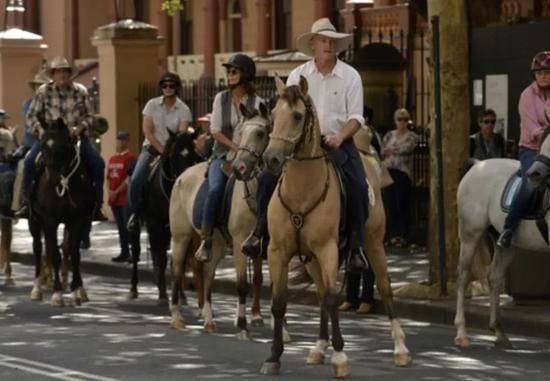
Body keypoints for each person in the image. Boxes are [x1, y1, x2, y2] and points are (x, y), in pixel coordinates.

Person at [242, 18, 369, 272]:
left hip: (336, 142)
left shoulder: (350, 76)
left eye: (332, 41)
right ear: (313, 44)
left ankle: (355, 247)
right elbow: (285, 110)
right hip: (299, 145)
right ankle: (260, 233)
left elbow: (356, 117)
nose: (328, 45)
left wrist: (340, 137)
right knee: (267, 178)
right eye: (323, 40)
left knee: (358, 186)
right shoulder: (298, 75)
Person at [17, 56, 106, 220]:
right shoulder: (43, 91)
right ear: (53, 75)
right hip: (50, 138)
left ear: (70, 73)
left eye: (65, 71)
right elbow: (31, 116)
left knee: (97, 163)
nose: (62, 75)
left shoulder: (81, 91)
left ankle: (97, 205)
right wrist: (40, 130)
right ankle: (26, 203)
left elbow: (90, 116)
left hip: (75, 138)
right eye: (58, 72)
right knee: (29, 162)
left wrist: (79, 128)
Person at [194, 54, 263, 262]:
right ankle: (206, 239)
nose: (230, 75)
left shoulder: (257, 102)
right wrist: (235, 147)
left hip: (250, 159)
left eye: (234, 71)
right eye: (229, 72)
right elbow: (215, 131)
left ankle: (263, 234)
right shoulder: (220, 99)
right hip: (222, 157)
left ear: (246, 75)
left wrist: (245, 152)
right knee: (215, 189)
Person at [126, 72, 192, 233]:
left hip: (173, 152)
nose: (168, 88)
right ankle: (135, 214)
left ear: (177, 87)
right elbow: (147, 131)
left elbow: (181, 133)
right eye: (164, 85)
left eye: (171, 85)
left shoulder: (184, 109)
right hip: (152, 150)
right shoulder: (151, 104)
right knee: (136, 179)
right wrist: (162, 150)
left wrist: (170, 151)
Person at [497, 51, 550, 247]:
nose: (543, 75)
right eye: (539, 72)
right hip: (532, 150)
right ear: (534, 75)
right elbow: (532, 129)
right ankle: (508, 229)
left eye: (547, 71)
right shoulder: (526, 96)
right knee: (530, 185)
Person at [381, 108, 417, 247]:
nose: (402, 122)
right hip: (388, 171)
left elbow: (407, 149)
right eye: (399, 119)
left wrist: (393, 150)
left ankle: (402, 235)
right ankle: (392, 235)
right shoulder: (389, 135)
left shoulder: (412, 136)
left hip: (402, 172)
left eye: (405, 119)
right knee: (390, 203)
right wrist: (392, 151)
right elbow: (383, 151)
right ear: (395, 121)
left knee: (401, 203)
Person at [108, 131, 136, 262]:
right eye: (118, 139)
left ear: (126, 141)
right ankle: (123, 252)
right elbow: (108, 177)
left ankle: (132, 252)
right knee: (120, 227)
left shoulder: (130, 158)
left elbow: (129, 178)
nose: (119, 142)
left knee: (127, 226)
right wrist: (109, 191)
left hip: (124, 198)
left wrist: (117, 191)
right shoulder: (112, 158)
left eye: (122, 140)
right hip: (113, 198)